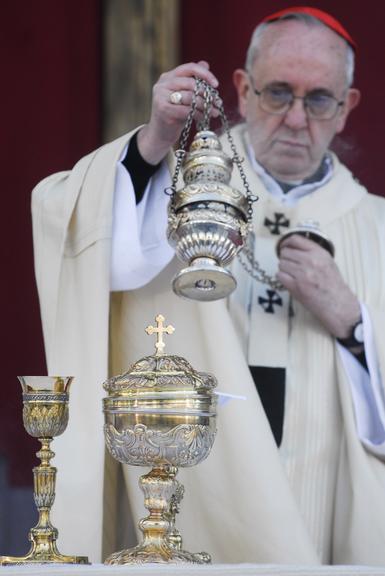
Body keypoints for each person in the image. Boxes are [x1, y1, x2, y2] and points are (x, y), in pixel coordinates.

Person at [32, 6, 385, 566]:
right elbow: (96, 251)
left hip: (326, 525)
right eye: (277, 93)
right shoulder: (180, 187)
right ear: (242, 90)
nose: (296, 119)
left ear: (347, 109)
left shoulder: (377, 228)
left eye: (319, 99)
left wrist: (354, 322)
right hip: (188, 516)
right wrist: (152, 142)